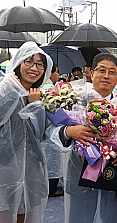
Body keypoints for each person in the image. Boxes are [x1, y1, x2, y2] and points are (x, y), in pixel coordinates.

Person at [51, 53, 117, 223]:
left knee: (110, 217)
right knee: (79, 217)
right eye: (101, 70)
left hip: (113, 175)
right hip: (79, 172)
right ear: (91, 72)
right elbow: (51, 131)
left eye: (112, 72)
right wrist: (69, 131)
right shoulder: (74, 100)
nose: (106, 76)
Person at [0, 41, 53, 223]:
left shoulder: (40, 94)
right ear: (18, 63)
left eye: (40, 64)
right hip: (1, 163)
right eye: (29, 61)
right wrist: (10, 88)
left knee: (25, 213)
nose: (34, 68)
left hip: (31, 166)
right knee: (2, 211)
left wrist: (35, 106)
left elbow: (41, 134)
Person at [40, 63, 64, 198]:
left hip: (41, 134)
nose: (58, 75)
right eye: (56, 72)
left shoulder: (36, 87)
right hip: (52, 132)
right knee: (52, 160)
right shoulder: (52, 90)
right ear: (49, 72)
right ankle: (52, 188)